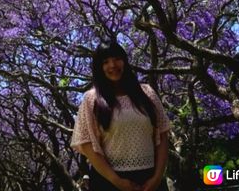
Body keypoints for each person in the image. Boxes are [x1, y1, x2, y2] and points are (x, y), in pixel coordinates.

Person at [71, 41, 170, 191]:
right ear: (99, 68)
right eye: (105, 62)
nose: (112, 65)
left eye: (117, 59)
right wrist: (116, 181)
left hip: (150, 179)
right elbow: (87, 145)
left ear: (124, 61)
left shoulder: (147, 93)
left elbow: (162, 136)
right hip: (108, 181)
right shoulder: (91, 99)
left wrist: (157, 177)